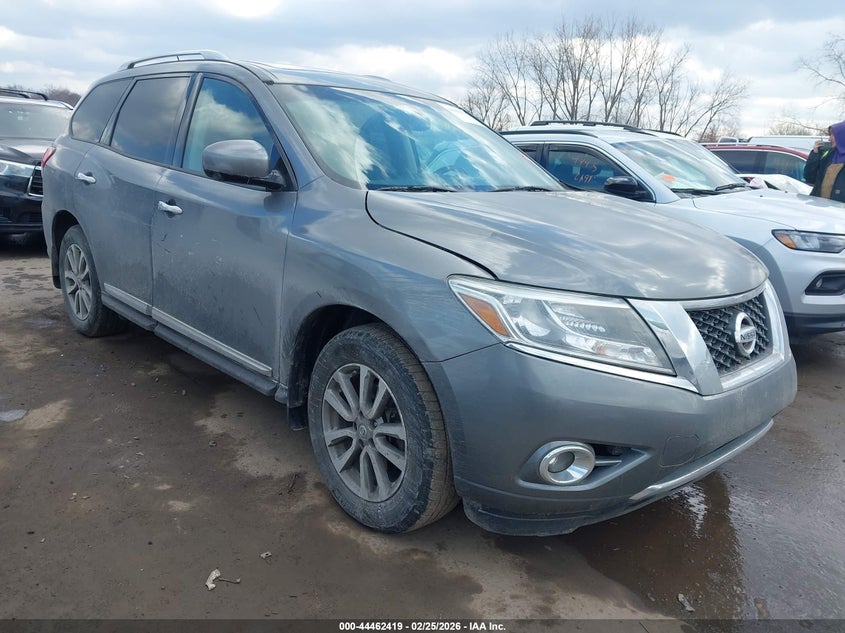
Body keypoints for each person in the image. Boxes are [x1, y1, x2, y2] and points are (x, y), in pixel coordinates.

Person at [804, 121, 845, 202]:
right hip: (820, 208)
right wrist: (815, 154)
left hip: (839, 211)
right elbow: (810, 178)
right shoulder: (828, 155)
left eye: (832, 135)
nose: (829, 139)